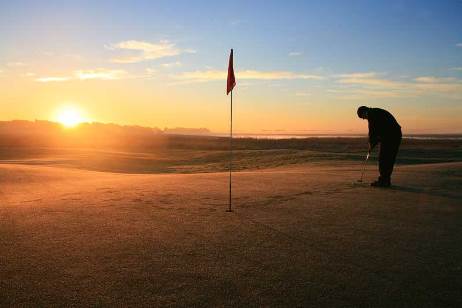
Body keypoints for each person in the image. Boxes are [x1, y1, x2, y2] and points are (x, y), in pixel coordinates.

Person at [357, 106, 402, 187]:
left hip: (391, 136)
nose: (364, 119)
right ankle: (385, 180)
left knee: (383, 158)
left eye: (362, 117)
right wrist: (373, 143)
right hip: (394, 135)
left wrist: (371, 144)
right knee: (389, 159)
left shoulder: (371, 114)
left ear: (364, 112)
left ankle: (383, 181)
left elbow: (372, 132)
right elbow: (378, 131)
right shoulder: (375, 112)